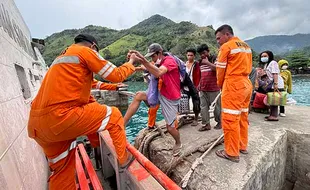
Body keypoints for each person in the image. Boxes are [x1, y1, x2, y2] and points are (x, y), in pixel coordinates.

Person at [27, 34, 138, 189]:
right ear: (93, 47)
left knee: (62, 170)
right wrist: (131, 62)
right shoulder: (85, 51)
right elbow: (116, 74)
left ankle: (94, 144)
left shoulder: (63, 58)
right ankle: (124, 159)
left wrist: (113, 87)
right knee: (114, 115)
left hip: (37, 125)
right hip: (60, 118)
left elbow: (93, 83)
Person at [127, 43, 182, 156]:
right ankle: (122, 124)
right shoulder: (157, 62)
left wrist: (142, 60)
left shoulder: (169, 61)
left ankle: (178, 142)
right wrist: (137, 58)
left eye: (153, 56)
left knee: (170, 128)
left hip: (170, 97)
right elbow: (144, 67)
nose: (152, 58)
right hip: (159, 92)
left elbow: (158, 72)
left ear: (159, 53)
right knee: (138, 95)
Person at [214, 25, 253, 163]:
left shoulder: (226, 47)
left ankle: (231, 152)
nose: (218, 41)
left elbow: (220, 70)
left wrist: (220, 85)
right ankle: (242, 146)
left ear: (227, 34)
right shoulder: (246, 46)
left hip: (233, 85)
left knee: (230, 119)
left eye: (219, 38)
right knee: (242, 116)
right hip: (246, 84)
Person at [196, 44, 221, 131]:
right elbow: (200, 74)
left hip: (214, 88)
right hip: (203, 88)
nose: (202, 55)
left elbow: (218, 69)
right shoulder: (200, 62)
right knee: (203, 107)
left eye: (204, 53)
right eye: (200, 54)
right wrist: (199, 84)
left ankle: (220, 122)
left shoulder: (215, 58)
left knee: (217, 108)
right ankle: (206, 124)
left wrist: (207, 62)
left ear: (208, 51)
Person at [259, 51, 284, 121]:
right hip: (271, 83)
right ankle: (271, 114)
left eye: (265, 56)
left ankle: (274, 116)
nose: (263, 58)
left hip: (276, 83)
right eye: (262, 56)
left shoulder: (273, 63)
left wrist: (276, 84)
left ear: (269, 56)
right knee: (271, 98)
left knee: (274, 99)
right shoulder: (267, 64)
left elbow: (275, 74)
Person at [184, 48, 201, 126]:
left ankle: (196, 119)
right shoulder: (184, 64)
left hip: (195, 86)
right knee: (185, 102)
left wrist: (199, 85)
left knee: (196, 103)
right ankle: (186, 116)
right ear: (186, 55)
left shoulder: (197, 64)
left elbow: (200, 75)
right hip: (186, 87)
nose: (189, 57)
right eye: (188, 55)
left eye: (191, 55)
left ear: (194, 56)